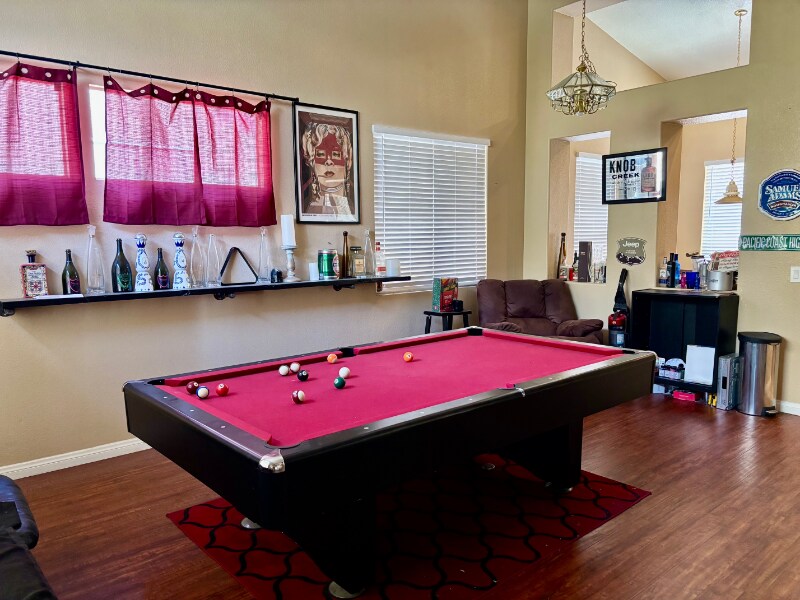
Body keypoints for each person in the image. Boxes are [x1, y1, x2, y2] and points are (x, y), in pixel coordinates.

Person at [300, 121, 355, 218]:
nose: (328, 161)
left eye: (336, 154)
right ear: (311, 161)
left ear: (347, 161)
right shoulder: (309, 210)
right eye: (320, 154)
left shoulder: (352, 210)